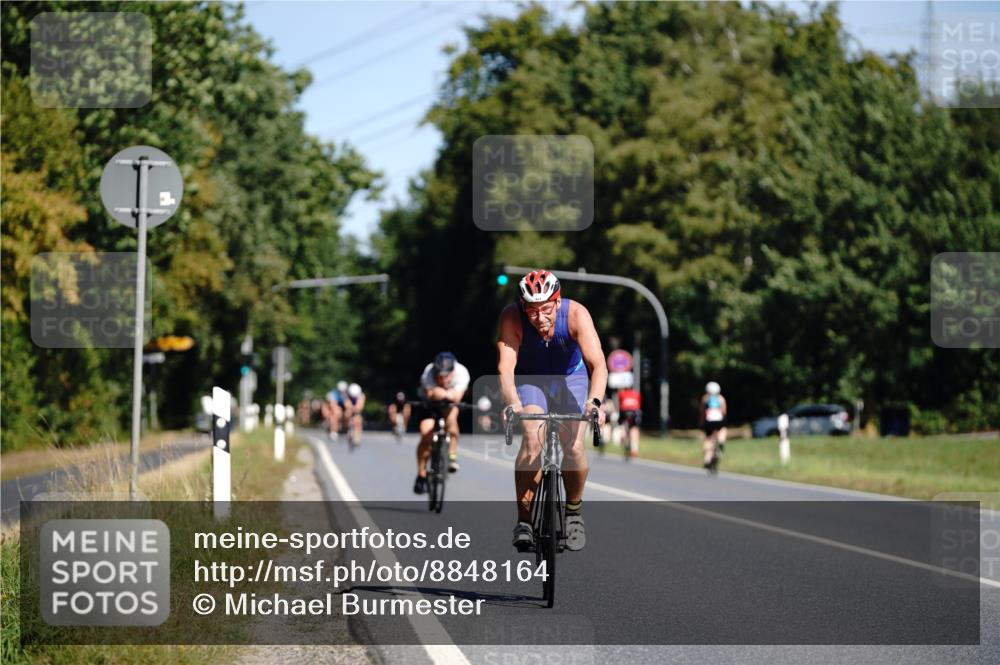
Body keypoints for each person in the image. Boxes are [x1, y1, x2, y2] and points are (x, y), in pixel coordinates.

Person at [497, 269, 607, 553]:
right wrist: (512, 401)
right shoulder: (512, 317)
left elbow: (599, 366)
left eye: (545, 309)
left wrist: (594, 403)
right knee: (532, 440)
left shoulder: (576, 314)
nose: (540, 317)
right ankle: (524, 522)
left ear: (557, 302)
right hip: (531, 379)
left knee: (574, 445)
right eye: (531, 311)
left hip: (572, 378)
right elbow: (506, 367)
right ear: (523, 307)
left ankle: (573, 514)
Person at [413, 352, 470, 494]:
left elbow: (457, 397)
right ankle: (421, 474)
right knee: (425, 432)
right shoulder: (429, 372)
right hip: (430, 404)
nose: (443, 379)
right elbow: (431, 394)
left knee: (452, 420)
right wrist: (444, 393)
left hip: (449, 405)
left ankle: (451, 455)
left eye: (447, 376)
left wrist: (442, 393)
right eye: (439, 376)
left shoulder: (462, 373)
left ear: (453, 371)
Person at [700, 381, 728, 470]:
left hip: (708, 422)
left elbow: (702, 412)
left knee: (708, 439)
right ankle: (721, 442)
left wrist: (701, 423)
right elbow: (724, 412)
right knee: (722, 431)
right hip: (719, 421)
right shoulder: (721, 398)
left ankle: (707, 459)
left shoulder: (705, 398)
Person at [617, 387, 642, 456]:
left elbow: (620, 404)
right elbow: (639, 405)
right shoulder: (637, 394)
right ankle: (634, 448)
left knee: (622, 424)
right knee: (634, 428)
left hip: (624, 411)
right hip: (634, 412)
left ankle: (623, 437)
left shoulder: (621, 393)